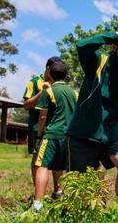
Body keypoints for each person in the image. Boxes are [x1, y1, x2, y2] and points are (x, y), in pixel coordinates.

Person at [66, 29, 118, 196]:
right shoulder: (98, 61)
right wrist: (113, 35)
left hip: (110, 130)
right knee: (78, 185)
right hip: (85, 131)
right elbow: (82, 46)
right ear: (115, 45)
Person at [32, 60, 77, 212]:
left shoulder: (49, 91)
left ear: (50, 73)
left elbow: (43, 117)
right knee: (60, 167)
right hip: (69, 137)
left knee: (41, 166)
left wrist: (39, 136)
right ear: (66, 75)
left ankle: (37, 204)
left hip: (51, 135)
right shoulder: (74, 93)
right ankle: (60, 196)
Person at [22, 57, 64, 199]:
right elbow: (26, 105)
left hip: (55, 130)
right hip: (37, 129)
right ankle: (39, 194)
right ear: (48, 69)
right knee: (38, 161)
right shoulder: (34, 82)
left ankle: (58, 192)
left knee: (58, 162)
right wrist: (42, 92)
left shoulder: (60, 84)